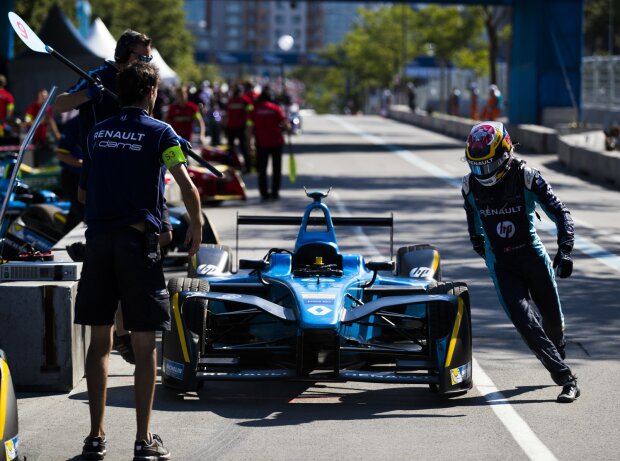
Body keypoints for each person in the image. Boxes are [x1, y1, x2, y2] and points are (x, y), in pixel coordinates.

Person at [75, 62, 202, 460]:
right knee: (145, 345)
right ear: (150, 93)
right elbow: (186, 183)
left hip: (97, 243)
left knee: (100, 343)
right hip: (135, 245)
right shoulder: (162, 133)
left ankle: (95, 437)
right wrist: (194, 224)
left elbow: (81, 195)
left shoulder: (97, 133)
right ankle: (143, 440)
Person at [461, 121, 580, 403]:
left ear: (505, 154)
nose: (482, 173)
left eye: (488, 166)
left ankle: (556, 351)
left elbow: (561, 213)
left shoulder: (528, 176)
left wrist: (565, 250)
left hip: (532, 256)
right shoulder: (469, 187)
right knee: (526, 324)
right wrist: (490, 257)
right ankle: (567, 380)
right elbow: (474, 232)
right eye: (476, 167)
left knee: (553, 326)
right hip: (502, 264)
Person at [248, 86, 288, 201]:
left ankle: (264, 193)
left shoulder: (255, 110)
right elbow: (285, 124)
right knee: (276, 169)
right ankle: (275, 192)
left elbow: (250, 128)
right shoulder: (275, 108)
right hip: (276, 143)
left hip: (261, 143)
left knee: (262, 170)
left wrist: (249, 143)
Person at [55, 114, 84, 233]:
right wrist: (85, 164)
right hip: (74, 177)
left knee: (75, 217)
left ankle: (62, 237)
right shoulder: (74, 124)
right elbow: (61, 155)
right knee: (84, 214)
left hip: (88, 176)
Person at [24, 88, 61, 166]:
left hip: (46, 138)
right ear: (38, 96)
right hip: (35, 138)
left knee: (51, 157)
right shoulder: (31, 108)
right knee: (37, 160)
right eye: (42, 96)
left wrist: (57, 134)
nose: (44, 98)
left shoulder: (48, 108)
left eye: (46, 97)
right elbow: (27, 122)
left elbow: (51, 121)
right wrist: (40, 121)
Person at [224, 84, 251, 172]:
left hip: (240, 127)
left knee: (243, 148)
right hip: (231, 127)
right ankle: (232, 167)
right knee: (231, 149)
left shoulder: (245, 100)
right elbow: (226, 114)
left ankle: (247, 167)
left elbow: (250, 113)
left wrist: (248, 127)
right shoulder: (231, 101)